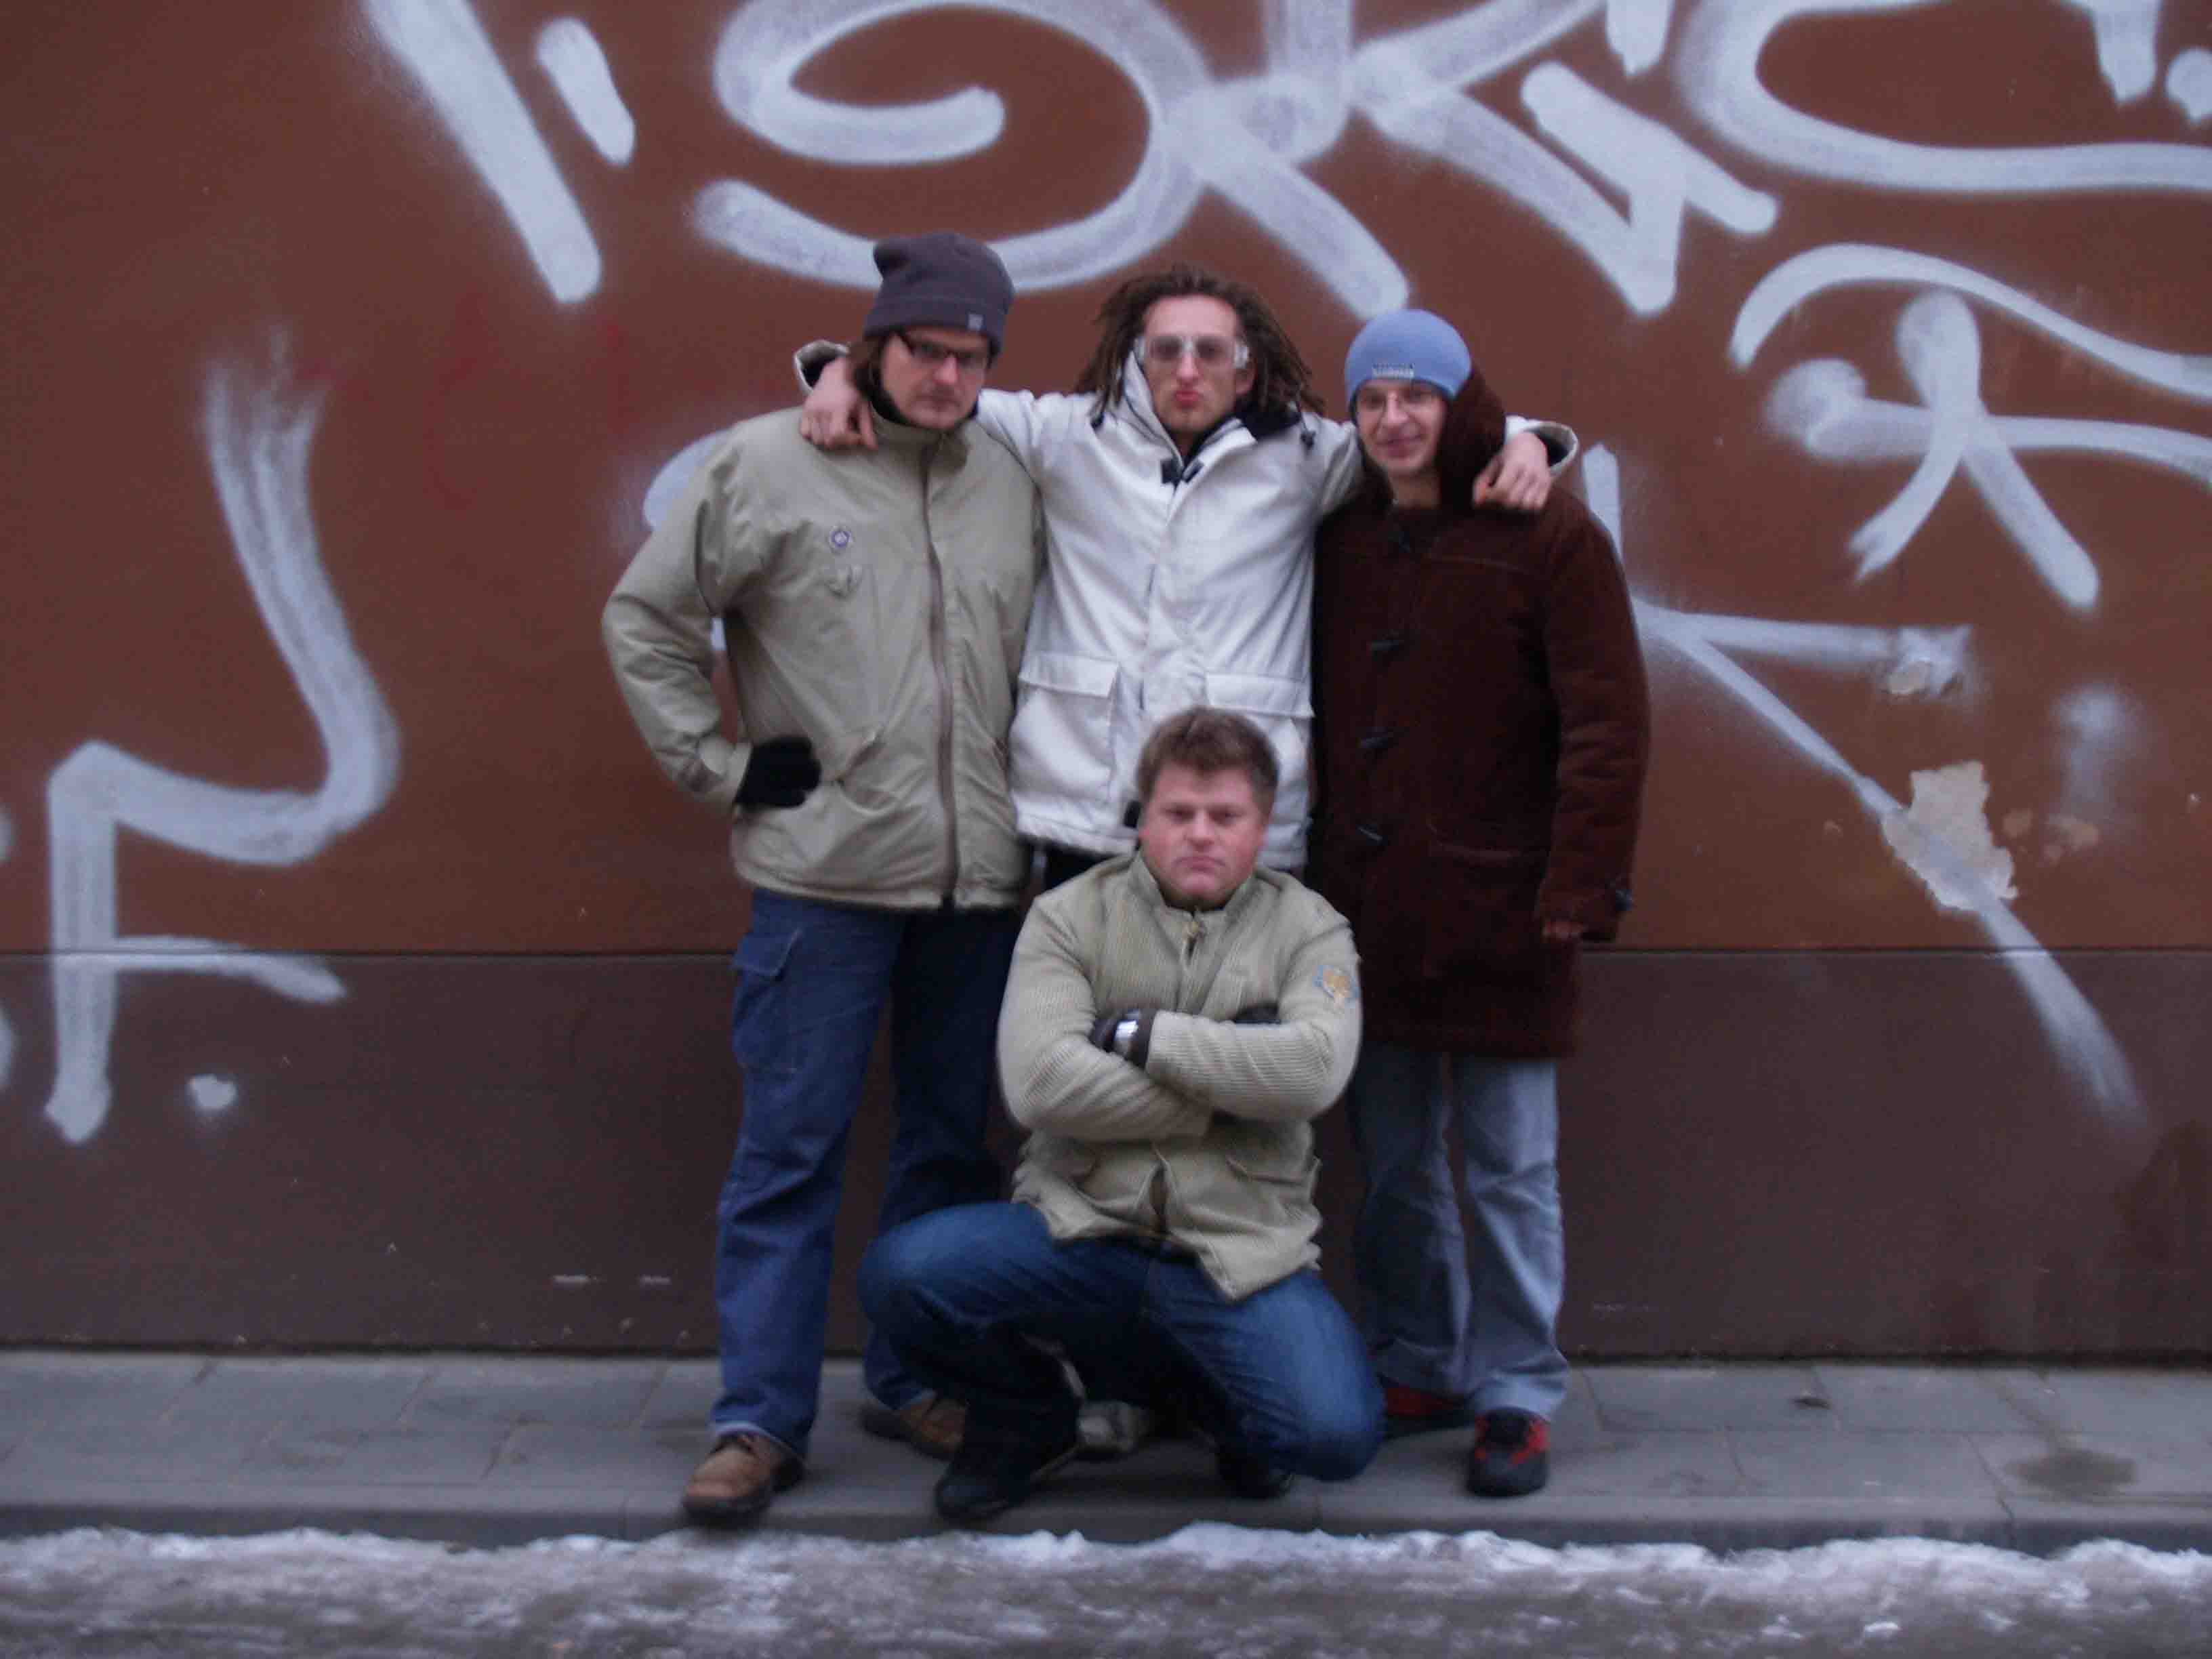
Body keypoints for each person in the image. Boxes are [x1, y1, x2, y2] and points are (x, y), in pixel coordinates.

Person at [600, 232, 1043, 1523]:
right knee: (788, 1156)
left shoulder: (1012, 477)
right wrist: (717, 765)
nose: (947, 377)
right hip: (822, 885)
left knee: (948, 1154)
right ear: (875, 346)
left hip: (979, 891)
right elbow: (647, 616)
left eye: (971, 357)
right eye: (924, 351)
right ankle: (757, 1420)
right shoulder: (767, 462)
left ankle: (916, 1379)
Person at [796, 264, 1576, 887]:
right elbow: (935, 395)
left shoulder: (1308, 456)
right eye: (1167, 351)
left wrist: (1527, 443)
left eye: (1212, 351)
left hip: (1241, 816)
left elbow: (1431, 434)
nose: (1189, 369)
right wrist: (841, 373)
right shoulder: (1068, 437)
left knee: (1230, 1030)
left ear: (1246, 369)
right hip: (1091, 811)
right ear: (1137, 360)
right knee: (1090, 1030)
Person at [857, 709, 1376, 1524]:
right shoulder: (1068, 917)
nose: (1199, 833)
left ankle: (1217, 1407)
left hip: (1239, 1255)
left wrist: (1143, 1037)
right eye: (1178, 813)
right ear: (1143, 820)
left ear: (1262, 827)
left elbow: (1312, 1073)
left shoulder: (1310, 930)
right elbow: (1040, 1087)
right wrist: (1237, 1085)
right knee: (903, 1275)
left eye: (1225, 816)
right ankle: (1030, 1417)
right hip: (1079, 1233)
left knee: (1333, 1436)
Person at [1309, 310, 1649, 1498]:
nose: (1393, 418)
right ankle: (1419, 1359)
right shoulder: (1341, 532)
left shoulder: (1547, 531)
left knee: (1509, 1168)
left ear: (1462, 403)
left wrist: (1579, 883)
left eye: (1418, 394)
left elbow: (1606, 722)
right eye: (1371, 399)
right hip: (1368, 908)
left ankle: (1515, 1387)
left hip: (1509, 907)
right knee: (1394, 1159)